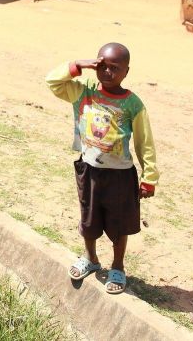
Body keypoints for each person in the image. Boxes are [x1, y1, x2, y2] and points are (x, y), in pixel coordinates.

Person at [45, 43, 158, 295]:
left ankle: (118, 265)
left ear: (126, 72)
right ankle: (91, 258)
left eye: (114, 68)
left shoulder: (132, 104)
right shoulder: (83, 92)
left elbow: (144, 142)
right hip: (89, 169)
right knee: (88, 218)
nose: (107, 72)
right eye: (102, 66)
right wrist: (79, 65)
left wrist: (149, 177)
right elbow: (52, 81)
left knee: (119, 224)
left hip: (120, 175)